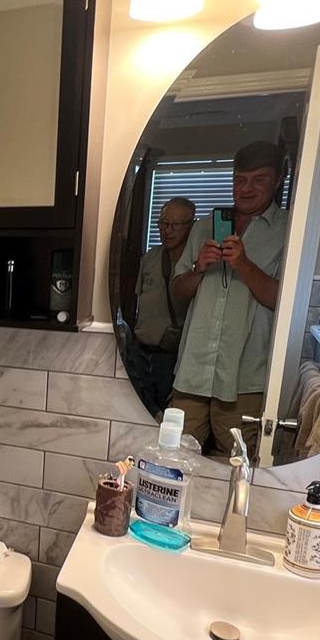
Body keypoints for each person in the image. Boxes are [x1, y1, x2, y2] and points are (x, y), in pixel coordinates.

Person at [169, 140, 288, 453]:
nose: (246, 189)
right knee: (173, 456)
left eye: (258, 180)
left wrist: (244, 265)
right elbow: (178, 292)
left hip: (245, 378)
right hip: (193, 371)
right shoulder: (205, 227)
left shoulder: (288, 231)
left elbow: (285, 303)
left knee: (238, 462)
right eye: (239, 180)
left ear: (277, 180)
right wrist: (198, 268)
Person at [128, 197, 196, 415]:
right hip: (140, 350)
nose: (168, 230)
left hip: (172, 357)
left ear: (191, 225)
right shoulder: (150, 257)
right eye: (163, 223)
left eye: (175, 225)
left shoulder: (195, 265)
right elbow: (139, 300)